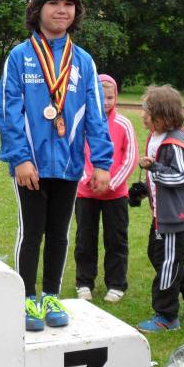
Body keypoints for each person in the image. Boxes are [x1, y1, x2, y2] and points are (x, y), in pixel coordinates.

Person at [0, 0, 113, 332]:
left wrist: (102, 162)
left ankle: (50, 294)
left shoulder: (84, 62)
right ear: (37, 8)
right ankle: (26, 297)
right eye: (54, 2)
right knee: (31, 232)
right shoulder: (19, 57)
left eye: (68, 4)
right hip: (30, 166)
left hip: (69, 164)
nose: (62, 10)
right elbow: (8, 111)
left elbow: (96, 115)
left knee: (60, 233)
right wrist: (20, 158)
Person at [136, 85, 184, 333]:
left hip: (174, 215)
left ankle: (167, 317)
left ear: (162, 116)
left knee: (168, 262)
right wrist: (144, 187)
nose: (142, 115)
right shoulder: (156, 136)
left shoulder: (175, 142)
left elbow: (180, 175)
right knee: (157, 254)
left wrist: (154, 169)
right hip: (161, 213)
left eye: (147, 111)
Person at [74, 74, 138, 303]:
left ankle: (116, 284)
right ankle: (84, 283)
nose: (106, 102)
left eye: (110, 97)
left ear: (116, 97)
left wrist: (111, 183)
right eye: (102, 98)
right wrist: (86, 179)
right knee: (85, 239)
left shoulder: (124, 124)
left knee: (116, 240)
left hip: (116, 195)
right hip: (85, 193)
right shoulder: (81, 123)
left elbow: (130, 157)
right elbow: (75, 152)